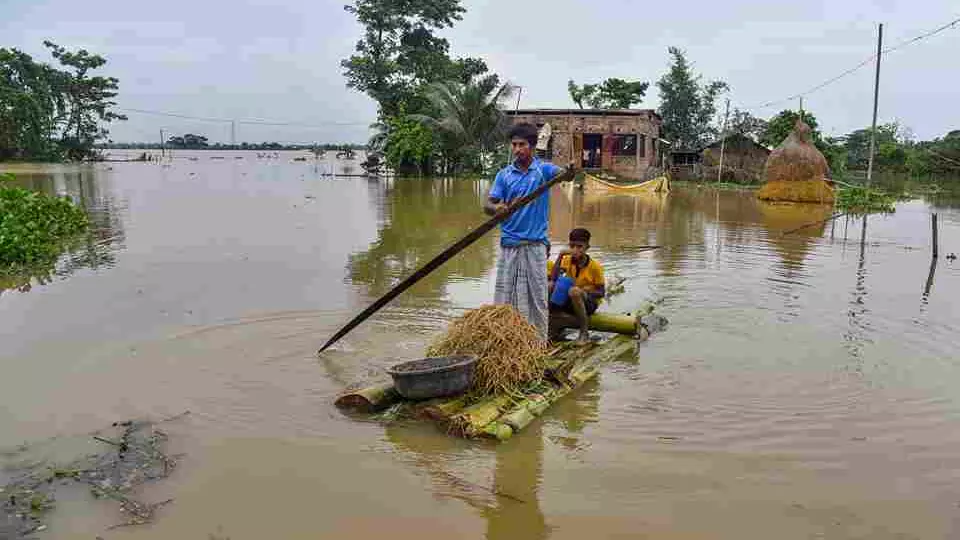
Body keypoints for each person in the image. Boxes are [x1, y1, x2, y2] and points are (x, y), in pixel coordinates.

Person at [484, 122, 567, 341]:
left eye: (522, 145)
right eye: (514, 145)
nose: (517, 149)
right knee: (505, 298)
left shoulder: (543, 170)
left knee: (537, 299)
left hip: (534, 245)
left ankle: (536, 344)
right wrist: (497, 208)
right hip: (509, 245)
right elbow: (488, 205)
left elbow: (563, 174)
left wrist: (569, 172)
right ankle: (506, 341)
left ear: (532, 146)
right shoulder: (504, 175)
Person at [547, 228, 605, 343]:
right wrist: (560, 256)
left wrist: (583, 290)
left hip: (588, 303)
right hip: (570, 300)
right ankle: (554, 324)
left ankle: (584, 332)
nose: (575, 250)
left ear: (587, 247)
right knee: (551, 285)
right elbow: (553, 279)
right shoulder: (567, 260)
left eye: (579, 247)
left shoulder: (595, 267)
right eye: (572, 246)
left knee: (574, 291)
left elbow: (601, 292)